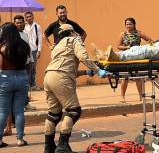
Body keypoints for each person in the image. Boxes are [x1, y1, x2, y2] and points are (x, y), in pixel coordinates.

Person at [43, 24, 109, 153]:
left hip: (49, 77)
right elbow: (83, 57)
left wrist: (86, 72)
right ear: (72, 33)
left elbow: (66, 67)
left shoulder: (57, 46)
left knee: (54, 113)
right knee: (74, 111)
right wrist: (98, 70)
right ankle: (62, 145)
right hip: (61, 78)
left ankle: (49, 147)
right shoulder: (74, 40)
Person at [0, 22, 31, 148]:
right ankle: (20, 139)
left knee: (3, 111)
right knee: (19, 111)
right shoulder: (24, 46)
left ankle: (0, 140)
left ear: (6, 32)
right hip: (22, 77)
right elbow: (28, 62)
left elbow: (0, 65)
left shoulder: (3, 48)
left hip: (6, 78)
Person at [117, 17, 152, 103]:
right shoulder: (122, 34)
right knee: (125, 78)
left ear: (134, 25)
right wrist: (126, 48)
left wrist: (145, 47)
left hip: (137, 58)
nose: (128, 26)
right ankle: (122, 97)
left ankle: (141, 96)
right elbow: (118, 46)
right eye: (127, 24)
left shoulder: (139, 33)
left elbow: (150, 40)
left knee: (138, 77)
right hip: (126, 57)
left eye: (130, 24)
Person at [13, 15, 36, 111]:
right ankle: (18, 105)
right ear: (14, 24)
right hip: (17, 64)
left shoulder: (25, 34)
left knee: (26, 83)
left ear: (24, 23)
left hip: (27, 63)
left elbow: (28, 48)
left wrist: (32, 60)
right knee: (17, 84)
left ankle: (26, 103)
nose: (19, 24)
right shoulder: (12, 35)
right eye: (17, 23)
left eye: (20, 22)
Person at [24, 12, 42, 91]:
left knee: (33, 68)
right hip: (25, 49)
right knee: (25, 68)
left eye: (30, 16)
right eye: (27, 17)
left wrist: (39, 50)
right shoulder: (24, 26)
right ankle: (26, 86)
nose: (29, 18)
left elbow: (40, 39)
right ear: (25, 18)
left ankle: (33, 85)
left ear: (33, 16)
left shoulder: (37, 26)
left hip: (34, 49)